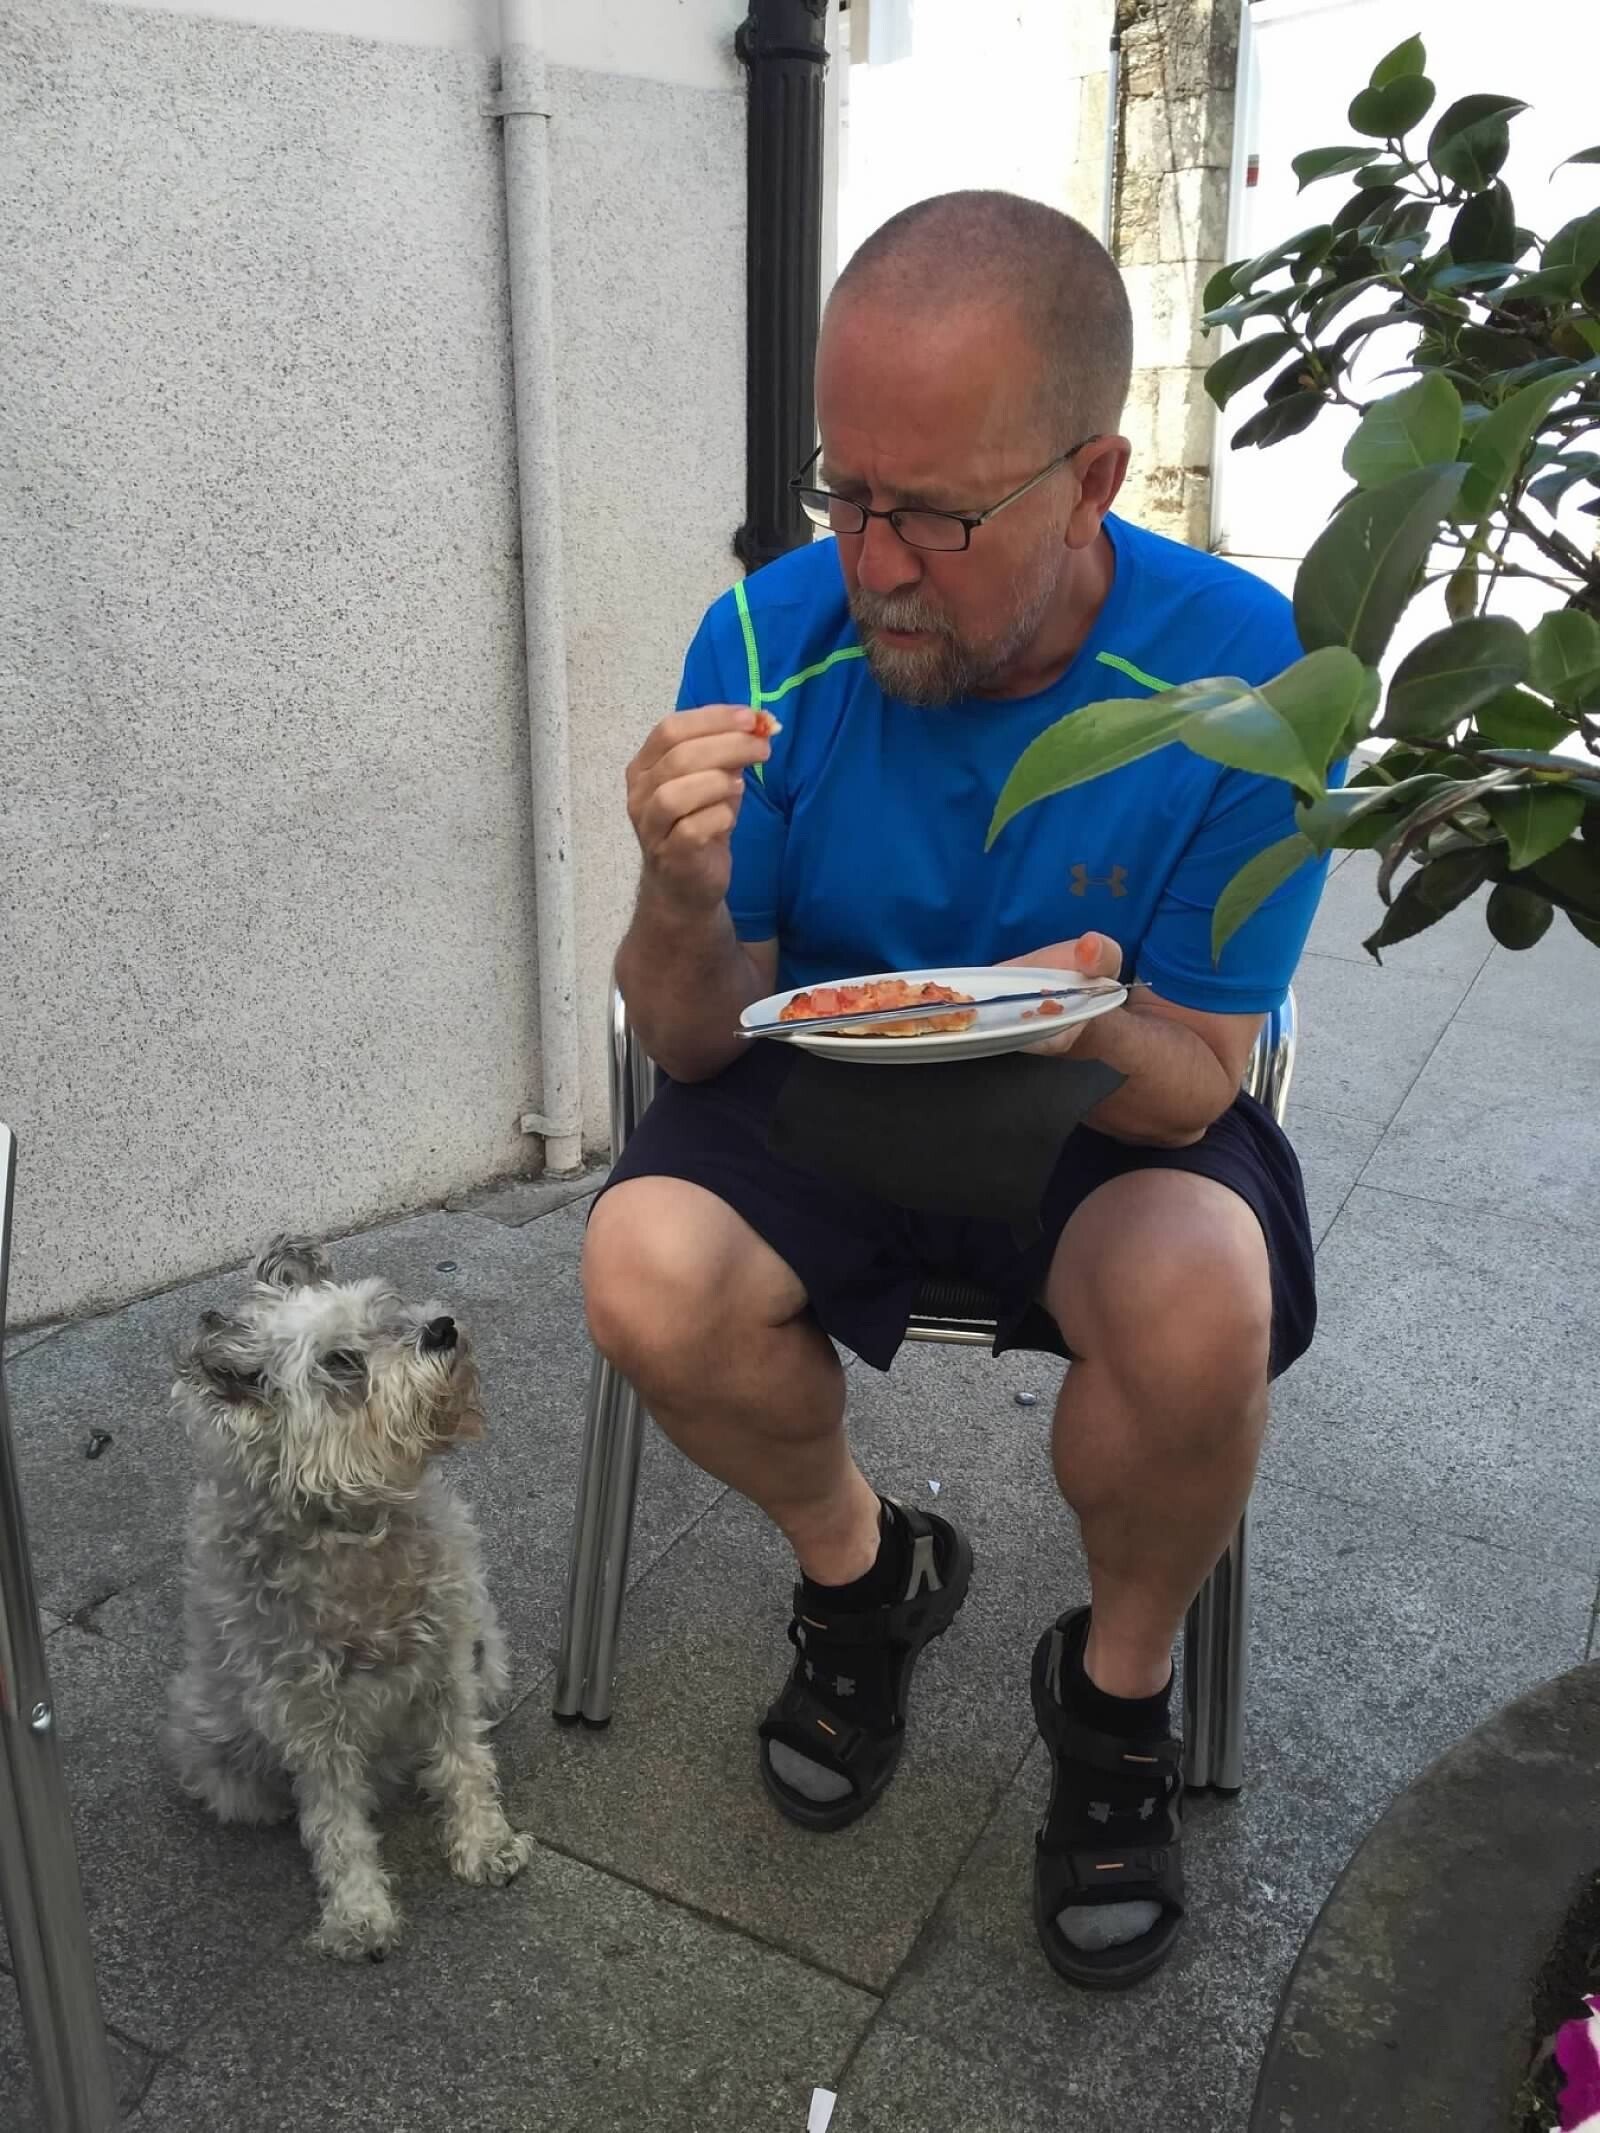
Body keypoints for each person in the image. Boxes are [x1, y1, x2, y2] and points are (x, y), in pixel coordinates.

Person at [582, 190, 1329, 1991]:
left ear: (1093, 478)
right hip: (816, 1078)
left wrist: (1066, 1019)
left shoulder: (1246, 679)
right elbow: (692, 1043)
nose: (875, 563)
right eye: (847, 491)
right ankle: (867, 1574)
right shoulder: (765, 637)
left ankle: (1117, 1691)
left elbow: (1193, 1083)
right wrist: (676, 895)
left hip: (1094, 1100)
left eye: (934, 512)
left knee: (1201, 1302)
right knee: (639, 1272)